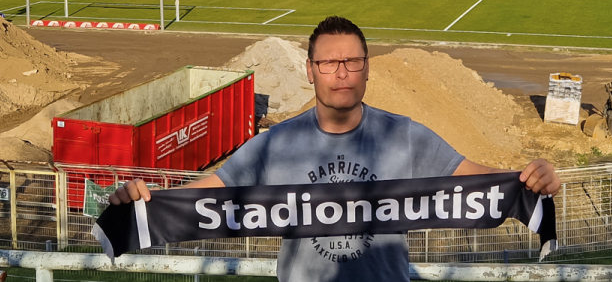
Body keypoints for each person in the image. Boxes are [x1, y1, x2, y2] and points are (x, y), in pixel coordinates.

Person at [108, 15, 560, 282]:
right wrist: (143, 206)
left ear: (367, 70)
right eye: (328, 62)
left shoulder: (404, 134)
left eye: (352, 62)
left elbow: (477, 180)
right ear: (310, 70)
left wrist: (530, 181)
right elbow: (205, 198)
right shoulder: (273, 145)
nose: (340, 72)